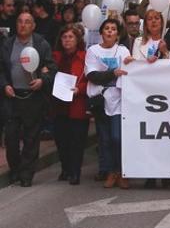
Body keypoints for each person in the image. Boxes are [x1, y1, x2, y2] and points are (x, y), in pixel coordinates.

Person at [0, 12, 57, 187]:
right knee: (11, 137)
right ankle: (15, 169)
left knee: (31, 139)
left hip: (33, 98)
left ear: (33, 26)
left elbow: (52, 68)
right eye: (20, 22)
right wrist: (4, 85)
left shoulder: (41, 44)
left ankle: (26, 175)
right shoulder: (7, 44)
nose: (23, 25)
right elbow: (1, 69)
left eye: (27, 22)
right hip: (12, 97)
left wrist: (42, 80)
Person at [129, 9, 170, 188]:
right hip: (146, 95)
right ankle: (150, 173)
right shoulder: (139, 42)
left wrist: (166, 52)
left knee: (165, 136)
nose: (154, 22)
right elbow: (136, 66)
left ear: (162, 22)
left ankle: (166, 172)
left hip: (166, 95)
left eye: (157, 19)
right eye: (150, 19)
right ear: (145, 23)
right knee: (149, 136)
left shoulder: (169, 40)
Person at [85, 18, 130, 189]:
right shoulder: (93, 51)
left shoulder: (123, 51)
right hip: (100, 100)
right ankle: (111, 172)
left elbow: (127, 72)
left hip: (119, 100)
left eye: (113, 29)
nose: (110, 31)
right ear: (102, 32)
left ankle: (121, 171)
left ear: (118, 34)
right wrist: (112, 73)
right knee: (104, 139)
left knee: (117, 137)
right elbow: (92, 75)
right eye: (107, 28)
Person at [51, 24, 89, 185]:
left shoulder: (85, 57)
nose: (67, 40)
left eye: (71, 37)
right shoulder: (54, 57)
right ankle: (65, 168)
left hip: (77, 105)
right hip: (58, 105)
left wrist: (79, 89)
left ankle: (75, 172)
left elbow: (91, 80)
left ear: (77, 39)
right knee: (61, 140)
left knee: (76, 141)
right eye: (64, 37)